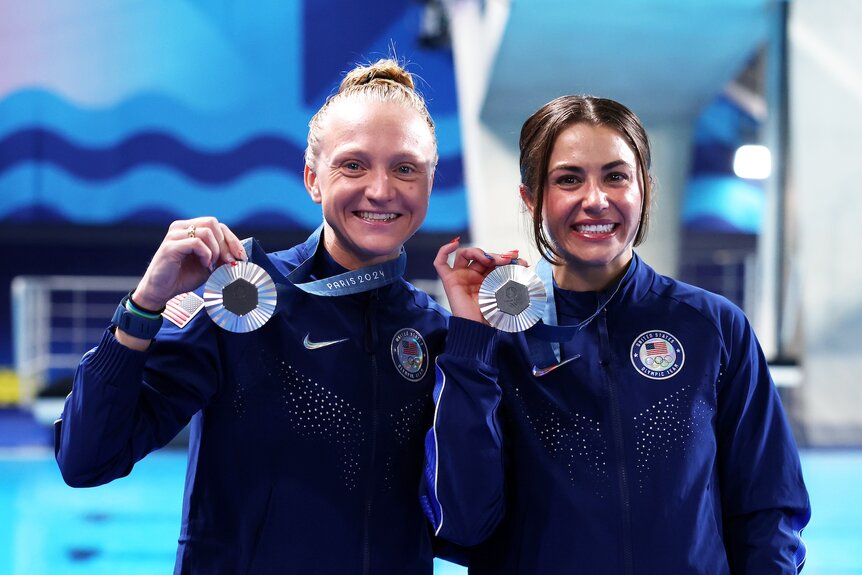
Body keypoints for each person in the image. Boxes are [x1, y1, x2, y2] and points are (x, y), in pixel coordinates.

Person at [56, 59, 457, 574]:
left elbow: (468, 516)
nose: (380, 190)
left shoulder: (436, 332)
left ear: (429, 182)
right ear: (313, 178)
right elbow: (86, 459)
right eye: (353, 165)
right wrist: (144, 306)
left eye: (405, 168)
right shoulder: (242, 294)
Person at [422, 95, 811, 574]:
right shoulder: (496, 340)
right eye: (568, 179)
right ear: (531, 198)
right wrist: (470, 345)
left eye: (616, 175)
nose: (596, 199)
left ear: (645, 187)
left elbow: (768, 509)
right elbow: (462, 523)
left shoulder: (713, 328)